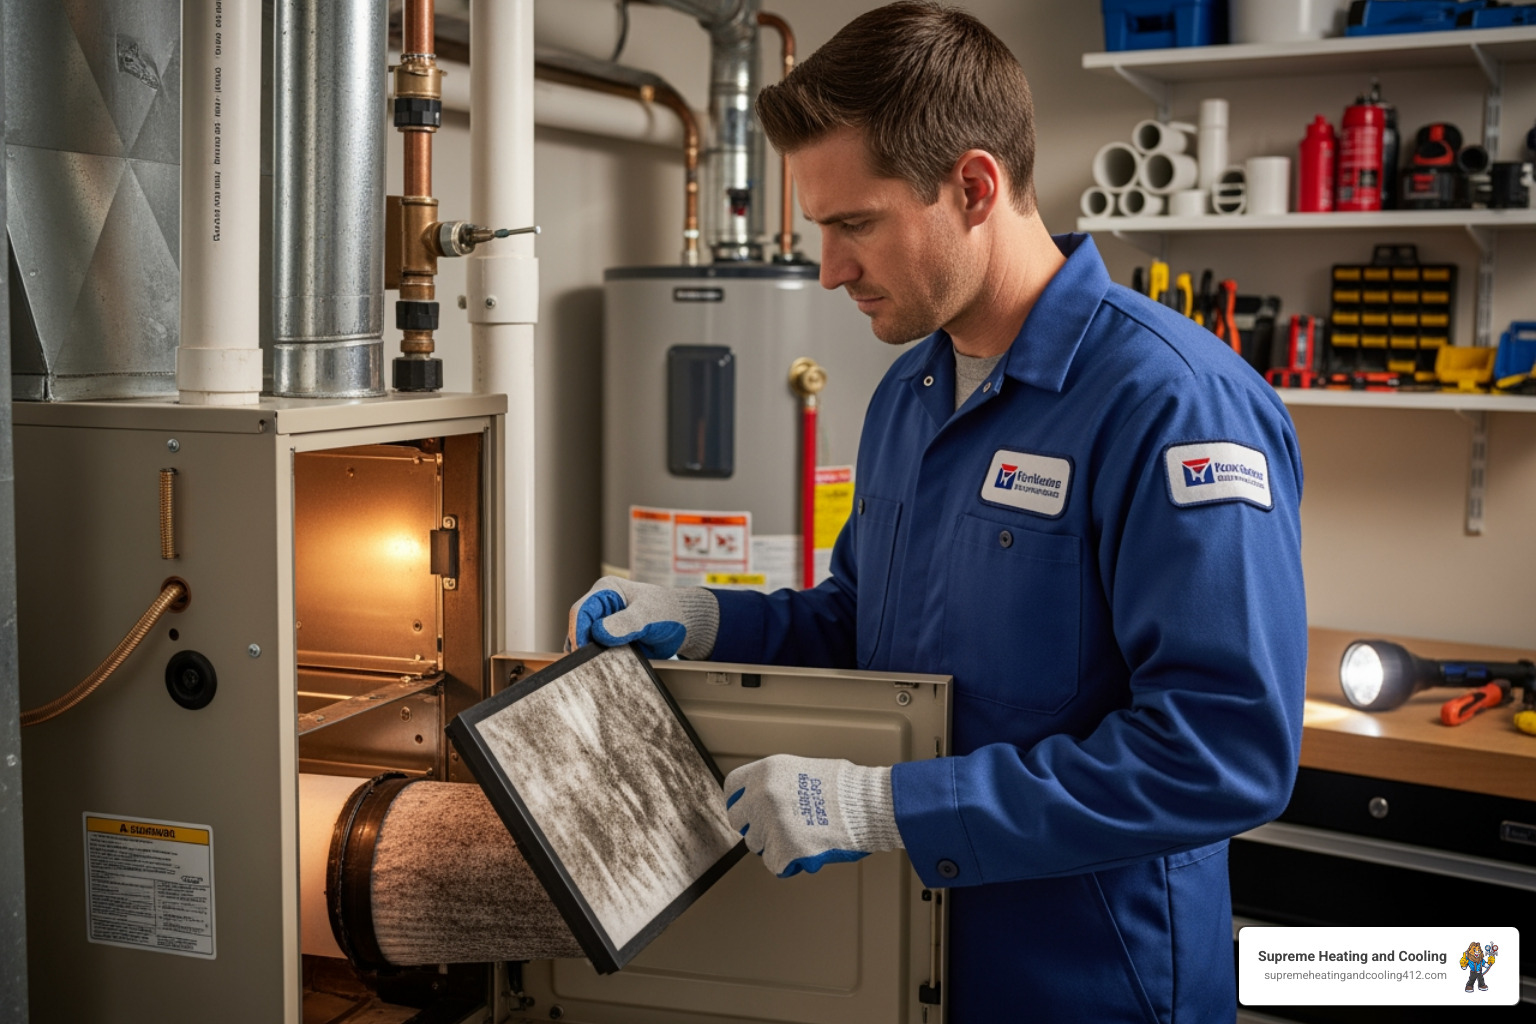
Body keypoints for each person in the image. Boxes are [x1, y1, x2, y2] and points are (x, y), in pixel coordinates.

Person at [568, 3, 1307, 1019]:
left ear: (972, 187)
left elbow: (1222, 755)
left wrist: (887, 805)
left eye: (853, 224)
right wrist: (710, 619)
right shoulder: (912, 392)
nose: (827, 269)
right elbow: (865, 623)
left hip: (1091, 983)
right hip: (914, 962)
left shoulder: (1172, 403)